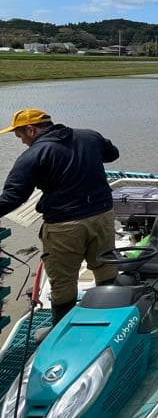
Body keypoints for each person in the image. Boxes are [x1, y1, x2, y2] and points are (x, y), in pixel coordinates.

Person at [0, 108, 120, 333]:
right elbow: (112, 154)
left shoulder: (33, 156)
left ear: (31, 129)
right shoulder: (89, 136)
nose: (23, 142)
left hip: (65, 227)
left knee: (63, 282)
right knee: (106, 269)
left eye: (21, 136)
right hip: (102, 216)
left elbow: (13, 197)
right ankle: (111, 321)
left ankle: (61, 333)